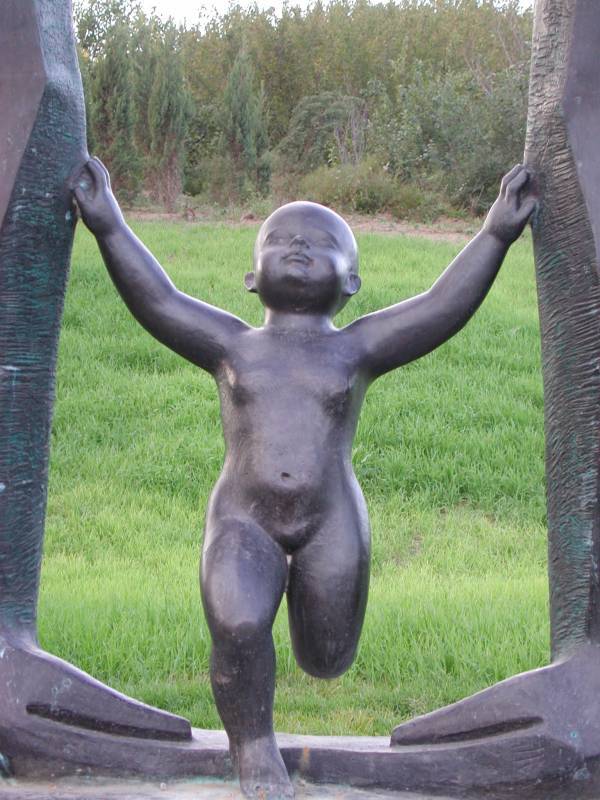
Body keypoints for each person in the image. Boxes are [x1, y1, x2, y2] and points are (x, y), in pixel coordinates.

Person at [74, 159, 535, 799]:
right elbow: (159, 301)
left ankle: (312, 648)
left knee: (327, 657)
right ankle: (253, 749)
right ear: (249, 277)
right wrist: (108, 225)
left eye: (321, 245)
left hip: (330, 521)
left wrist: (494, 235)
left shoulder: (356, 350)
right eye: (281, 240)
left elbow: (438, 309)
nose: (299, 248)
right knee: (236, 622)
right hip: (244, 517)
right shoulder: (233, 346)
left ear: (351, 283)